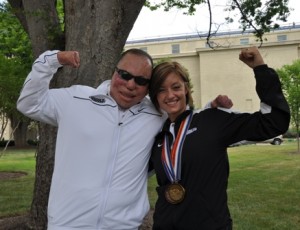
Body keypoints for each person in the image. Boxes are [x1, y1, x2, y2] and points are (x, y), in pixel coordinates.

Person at [17, 48, 232, 230]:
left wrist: (211, 110)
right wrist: (52, 60)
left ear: (148, 87)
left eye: (140, 81)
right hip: (67, 224)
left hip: (124, 225)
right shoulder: (76, 99)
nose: (130, 85)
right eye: (125, 75)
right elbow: (29, 103)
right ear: (114, 73)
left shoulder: (157, 114)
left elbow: (185, 125)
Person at [148, 46, 290, 230]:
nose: (170, 95)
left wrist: (260, 68)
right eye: (161, 90)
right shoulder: (157, 136)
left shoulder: (213, 120)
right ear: (155, 97)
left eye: (176, 87)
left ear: (186, 89)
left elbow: (273, 122)